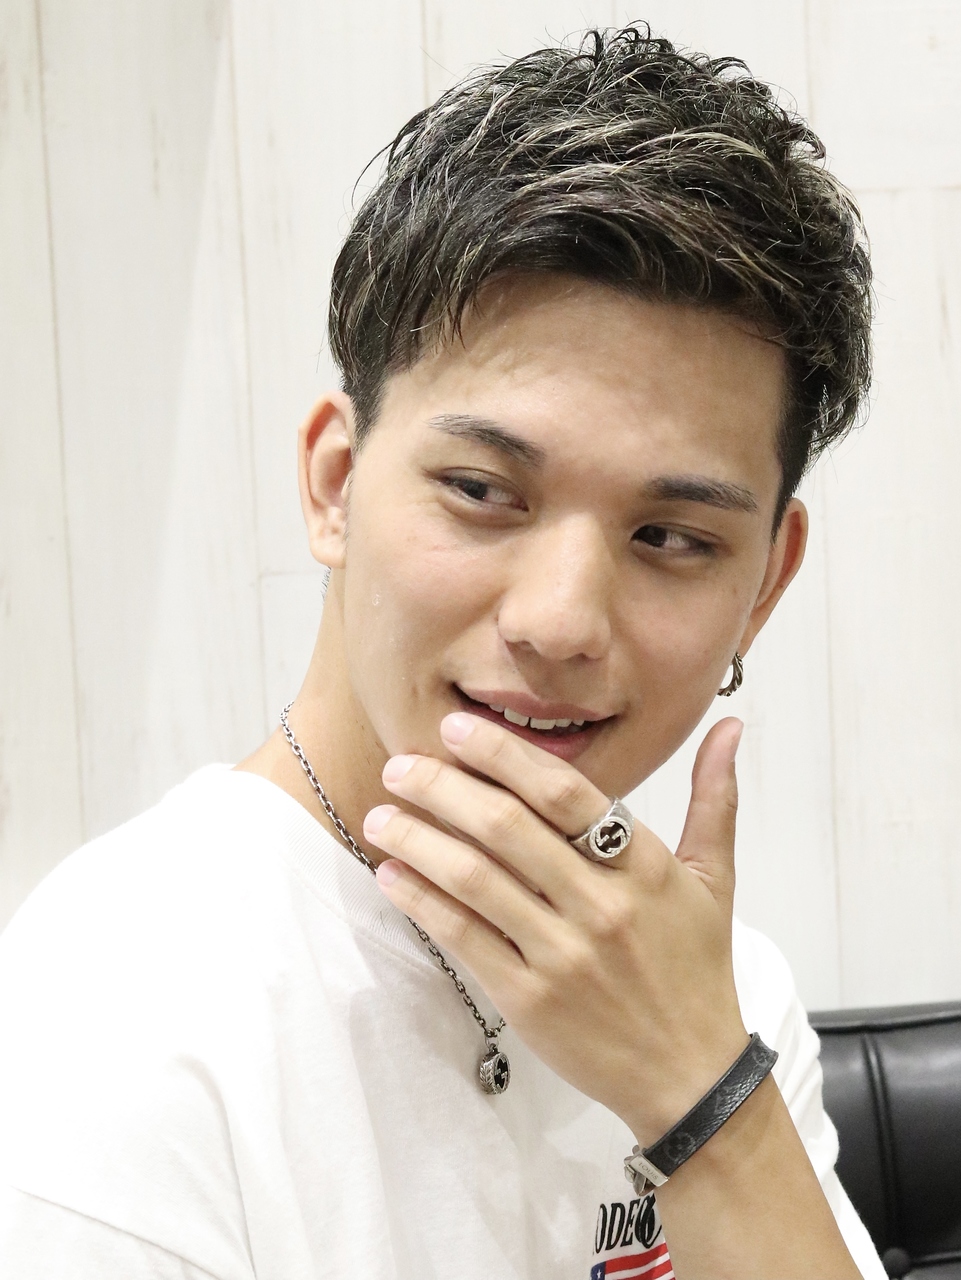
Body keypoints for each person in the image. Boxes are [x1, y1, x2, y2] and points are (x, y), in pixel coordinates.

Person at [0, 25, 884, 1280]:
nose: (560, 620)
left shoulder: (716, 983)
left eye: (670, 537)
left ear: (763, 587)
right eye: (481, 489)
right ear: (335, 482)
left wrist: (706, 1096)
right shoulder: (113, 1014)